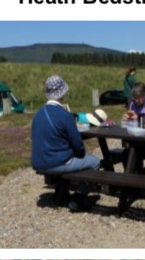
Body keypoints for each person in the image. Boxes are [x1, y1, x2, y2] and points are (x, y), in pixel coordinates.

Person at [31, 74, 101, 212]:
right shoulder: (65, 115)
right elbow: (78, 147)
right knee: (95, 162)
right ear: (62, 93)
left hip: (39, 162)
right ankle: (79, 196)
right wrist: (79, 154)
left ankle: (61, 191)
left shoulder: (37, 114)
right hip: (56, 163)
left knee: (67, 159)